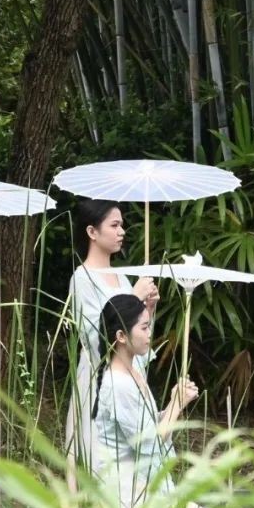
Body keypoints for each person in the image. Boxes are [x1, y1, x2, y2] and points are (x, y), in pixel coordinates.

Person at [92, 293, 253, 508]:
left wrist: (173, 403)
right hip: (132, 495)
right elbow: (148, 444)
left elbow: (148, 427)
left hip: (151, 486)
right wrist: (177, 405)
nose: (150, 333)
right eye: (144, 327)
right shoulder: (117, 385)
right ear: (121, 336)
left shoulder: (133, 371)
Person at [65, 199, 159, 485]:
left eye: (122, 225)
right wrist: (134, 298)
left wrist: (148, 309)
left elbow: (135, 333)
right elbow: (94, 336)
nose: (122, 231)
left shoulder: (121, 277)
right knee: (102, 458)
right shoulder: (82, 279)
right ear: (92, 232)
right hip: (99, 379)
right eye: (114, 225)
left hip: (129, 375)